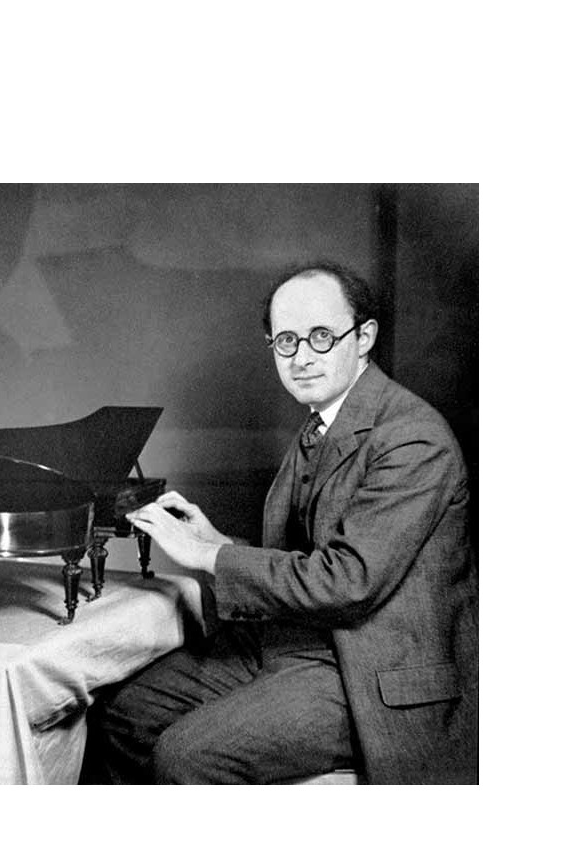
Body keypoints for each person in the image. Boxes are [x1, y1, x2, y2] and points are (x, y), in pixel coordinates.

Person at [82, 261, 478, 784]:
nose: (302, 358)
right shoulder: (325, 419)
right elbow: (309, 554)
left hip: (368, 667)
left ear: (364, 338)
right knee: (121, 716)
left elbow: (348, 582)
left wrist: (210, 556)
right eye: (287, 341)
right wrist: (220, 541)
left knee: (187, 755)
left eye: (321, 336)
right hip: (296, 640)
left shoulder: (412, 438)